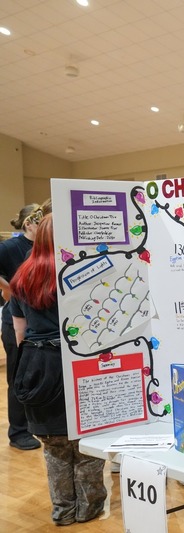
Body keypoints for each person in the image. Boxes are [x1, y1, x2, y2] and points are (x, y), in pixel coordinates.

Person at [10, 214, 107, 525]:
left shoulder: (22, 277)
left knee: (54, 445)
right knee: (86, 444)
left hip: (38, 366)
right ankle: (88, 507)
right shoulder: (82, 272)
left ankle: (63, 510)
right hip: (77, 361)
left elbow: (19, 333)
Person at [0, 203, 42, 451]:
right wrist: (9, 290)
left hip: (40, 322)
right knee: (19, 377)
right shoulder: (9, 247)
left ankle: (37, 425)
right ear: (29, 224)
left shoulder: (45, 246)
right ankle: (18, 432)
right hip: (15, 321)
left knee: (38, 376)